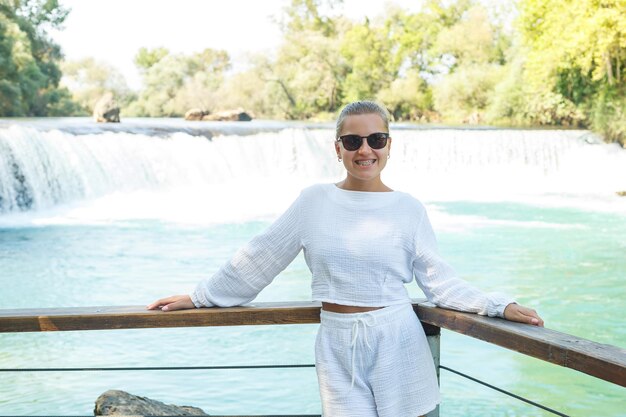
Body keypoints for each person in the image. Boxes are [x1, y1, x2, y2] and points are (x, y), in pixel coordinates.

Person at [147, 100, 544, 417]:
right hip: (337, 342)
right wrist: (201, 297)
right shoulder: (313, 201)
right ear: (338, 149)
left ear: (389, 145)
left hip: (399, 340)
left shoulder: (409, 208)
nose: (365, 150)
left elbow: (440, 282)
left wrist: (497, 305)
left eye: (376, 139)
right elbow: (263, 256)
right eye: (353, 142)